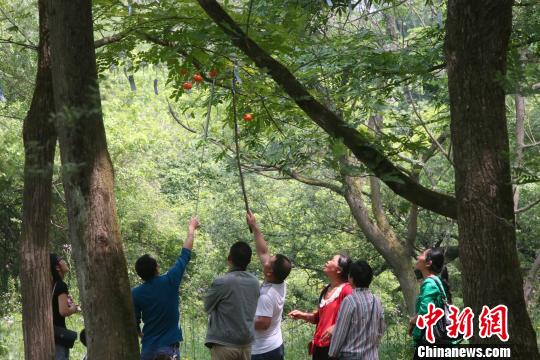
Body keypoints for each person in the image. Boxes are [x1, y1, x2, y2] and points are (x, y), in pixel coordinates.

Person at [132, 217, 199, 360]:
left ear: (140, 275)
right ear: (157, 268)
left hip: (148, 349)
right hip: (169, 349)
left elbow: (134, 320)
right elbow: (185, 255)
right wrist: (191, 230)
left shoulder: (136, 293)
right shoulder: (170, 280)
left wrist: (139, 332)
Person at [246, 211, 292, 360]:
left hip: (263, 352)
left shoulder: (267, 296)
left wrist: (241, 320)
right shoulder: (279, 281)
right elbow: (263, 251)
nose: (265, 260)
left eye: (269, 262)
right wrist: (254, 226)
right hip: (275, 345)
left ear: (270, 272)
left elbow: (263, 323)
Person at [288, 254, 353, 360]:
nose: (327, 261)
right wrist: (302, 315)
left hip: (335, 349)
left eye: (332, 260)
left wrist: (336, 327)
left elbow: (356, 316)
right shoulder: (326, 289)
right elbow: (318, 318)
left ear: (339, 270)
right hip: (319, 347)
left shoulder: (347, 290)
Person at [204, 241, 260, 360]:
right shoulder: (255, 282)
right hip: (246, 343)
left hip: (224, 344)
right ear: (249, 261)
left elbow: (207, 306)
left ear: (229, 258)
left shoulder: (222, 282)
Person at [328, 260, 384, 360]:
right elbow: (380, 330)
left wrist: (332, 354)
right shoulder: (377, 301)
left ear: (351, 278)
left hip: (350, 356)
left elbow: (340, 332)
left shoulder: (349, 301)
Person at [409, 247, 453, 357]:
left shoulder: (429, 284)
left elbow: (425, 311)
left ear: (428, 263)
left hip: (429, 343)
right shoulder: (436, 281)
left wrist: (412, 321)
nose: (418, 257)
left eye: (422, 255)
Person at [51, 253, 80, 360]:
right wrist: (73, 308)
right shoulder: (61, 285)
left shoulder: (52, 284)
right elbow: (63, 311)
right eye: (61, 259)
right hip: (58, 335)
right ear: (57, 267)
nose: (64, 260)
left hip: (50, 332)